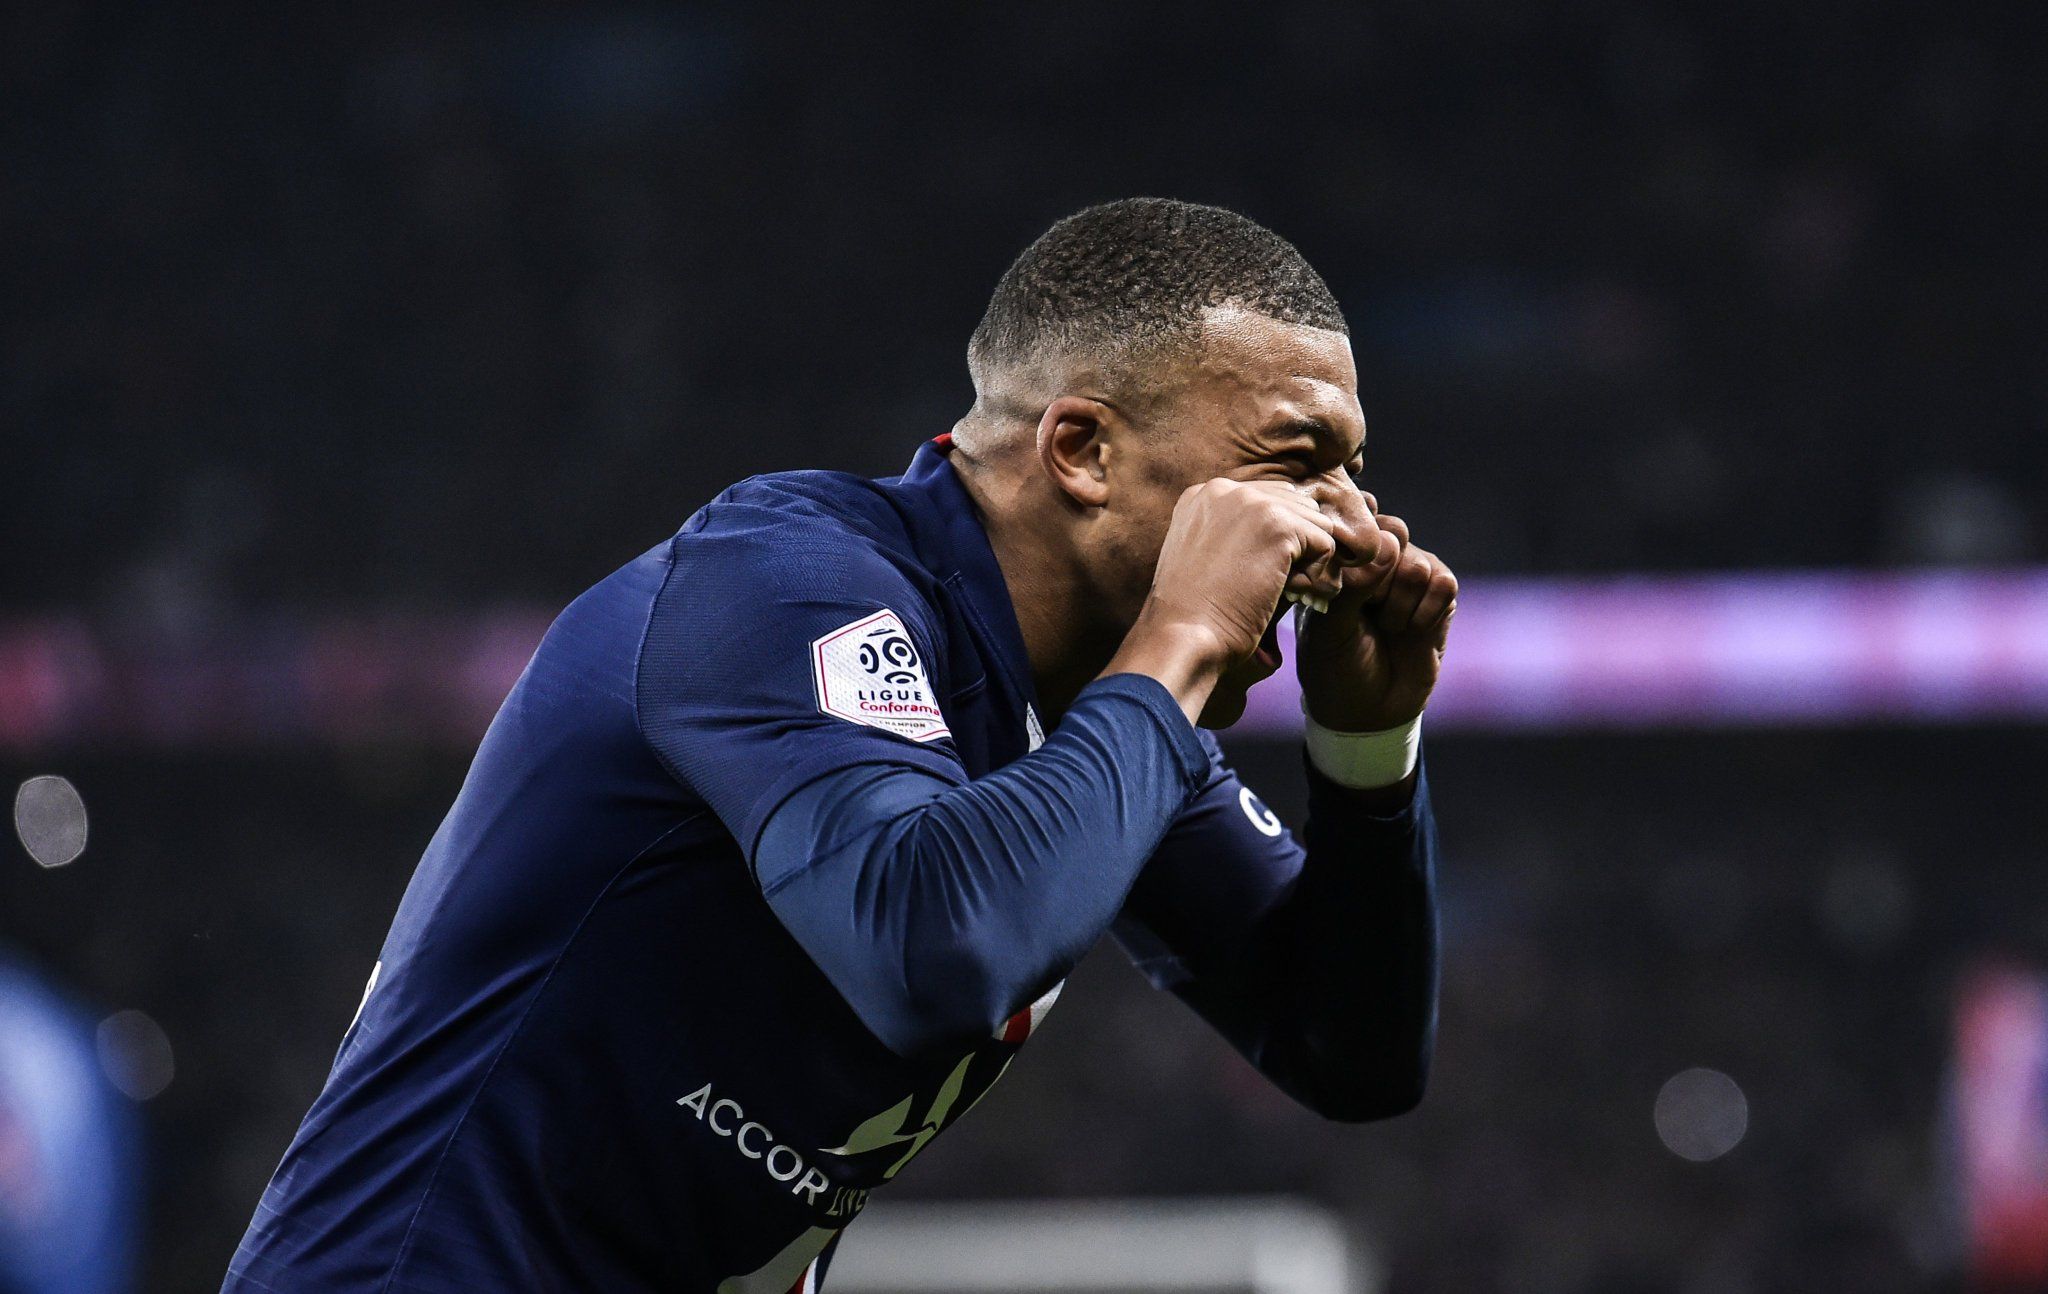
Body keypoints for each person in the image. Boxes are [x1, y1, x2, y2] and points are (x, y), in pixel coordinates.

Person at [225, 197, 1457, 1293]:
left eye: (1355, 472)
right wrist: (1185, 632)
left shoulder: (1110, 714)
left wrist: (1365, 746)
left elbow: (1348, 1048)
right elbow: (928, 946)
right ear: (1081, 451)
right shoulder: (786, 580)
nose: (1349, 524)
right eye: (1297, 463)